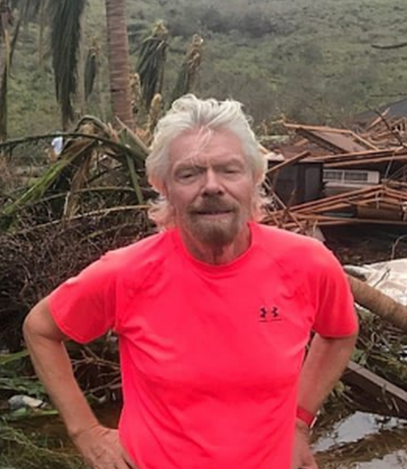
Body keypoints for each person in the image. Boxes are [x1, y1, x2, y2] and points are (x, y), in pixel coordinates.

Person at [23, 94, 358, 469]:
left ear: (255, 178)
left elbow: (340, 332)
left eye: (229, 170)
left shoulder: (307, 264)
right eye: (190, 173)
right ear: (163, 186)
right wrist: (86, 432)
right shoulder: (126, 273)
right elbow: (41, 329)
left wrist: (299, 421)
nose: (212, 186)